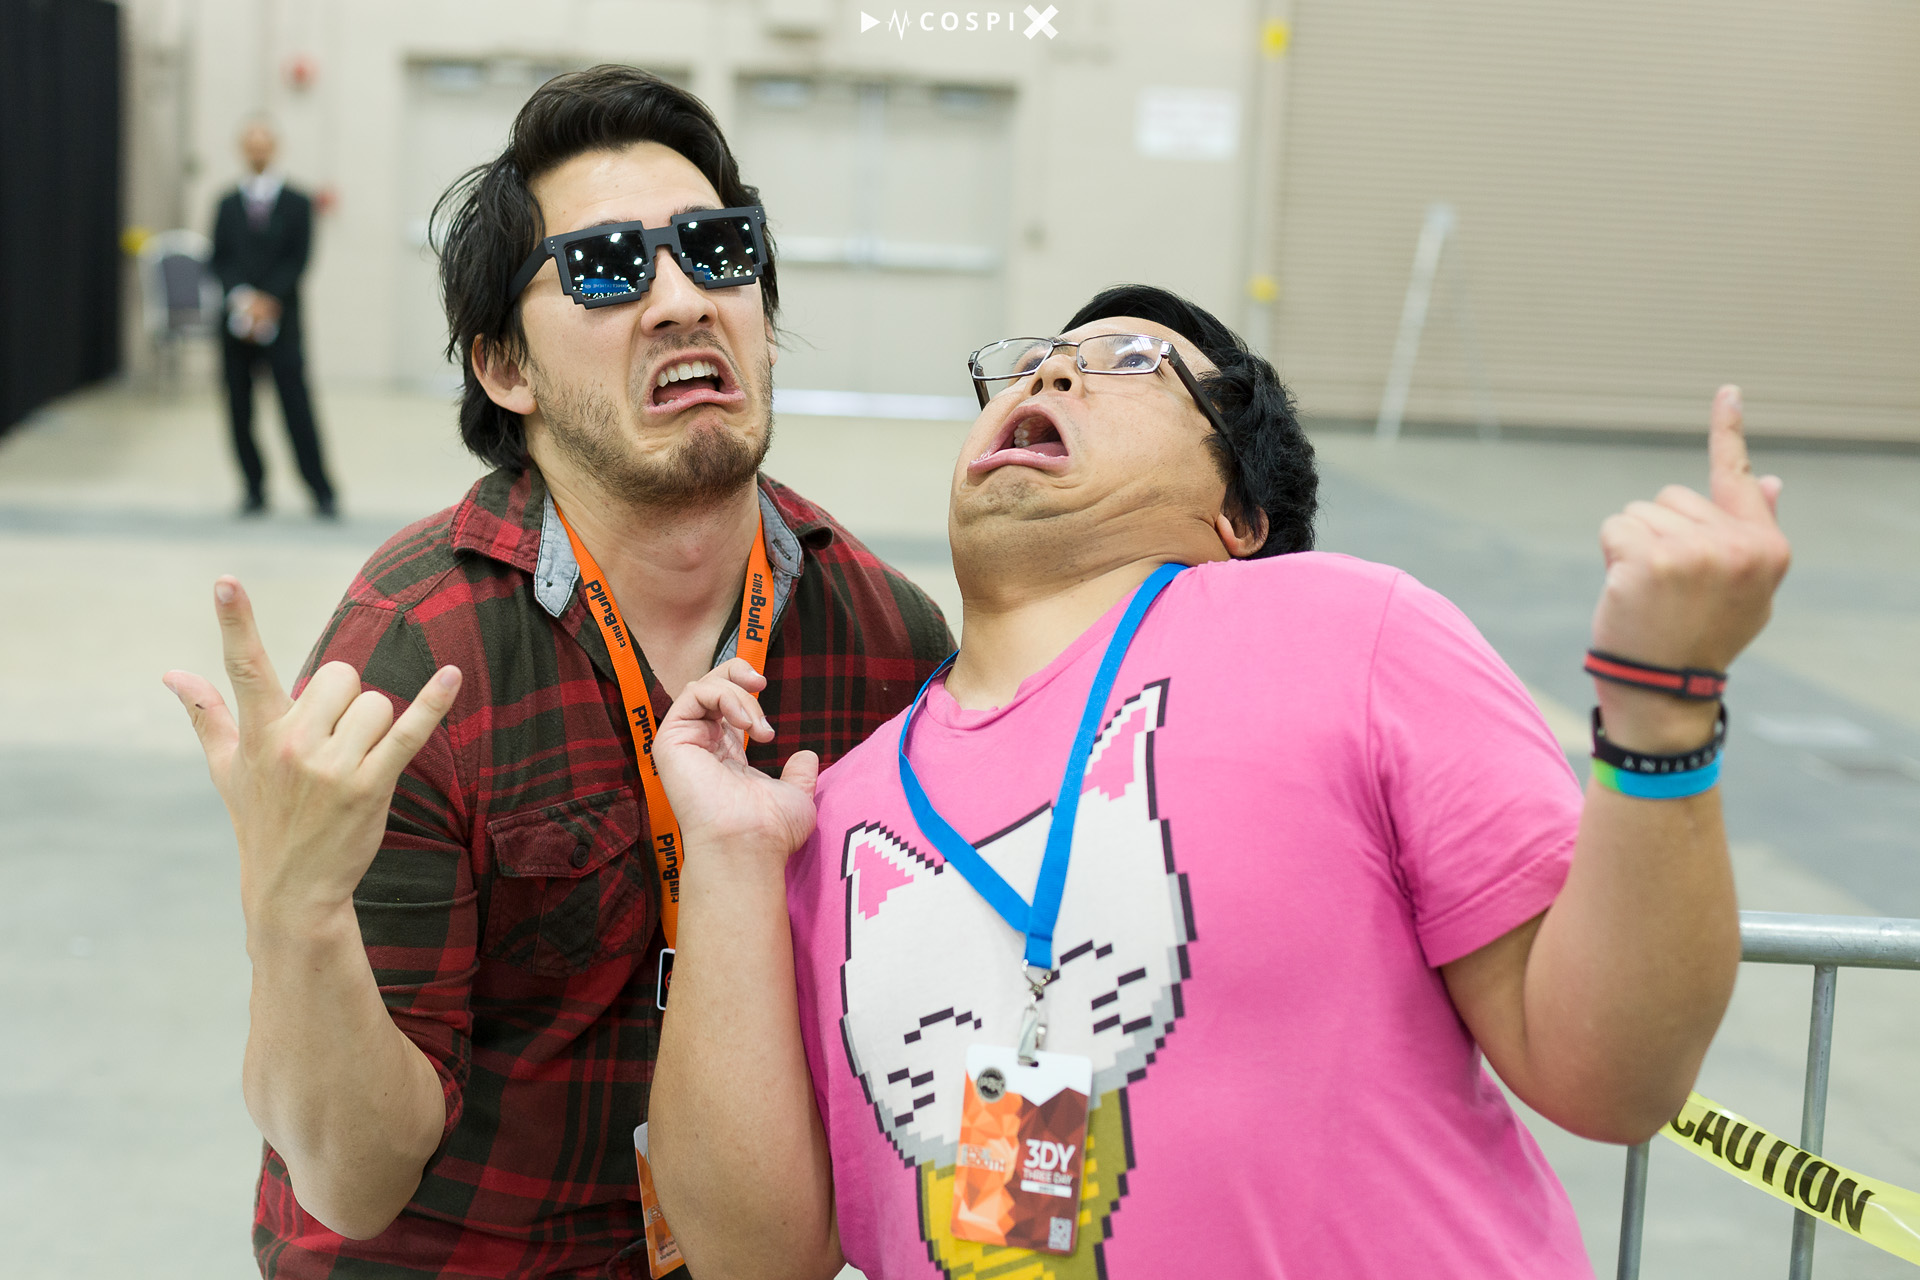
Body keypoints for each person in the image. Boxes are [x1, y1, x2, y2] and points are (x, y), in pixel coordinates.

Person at [643, 284, 1793, 1278]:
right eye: (1032, 360)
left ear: (1239, 515)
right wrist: (731, 856)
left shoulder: (1347, 628)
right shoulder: (838, 810)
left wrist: (1663, 704)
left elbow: (1610, 1073)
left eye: (1131, 361)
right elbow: (754, 1255)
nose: (1052, 372)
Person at [163, 67, 952, 1277]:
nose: (681, 299)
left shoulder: (884, 642)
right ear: (505, 369)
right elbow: (354, 1179)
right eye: (604, 268)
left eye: (717, 250)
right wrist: (296, 914)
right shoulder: (419, 652)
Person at [209, 119, 338, 518]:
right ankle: (253, 488)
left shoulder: (298, 202)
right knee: (239, 408)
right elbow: (219, 258)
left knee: (296, 406)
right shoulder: (226, 203)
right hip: (236, 324)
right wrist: (243, 299)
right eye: (251, 143)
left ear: (275, 147)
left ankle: (320, 489)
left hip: (283, 322)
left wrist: (268, 300)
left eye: (264, 143)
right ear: (242, 149)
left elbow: (299, 258)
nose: (258, 150)